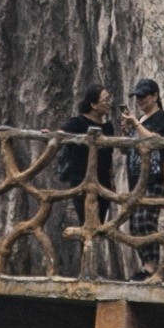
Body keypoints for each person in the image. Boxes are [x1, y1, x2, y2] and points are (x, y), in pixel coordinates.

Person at [50, 85, 117, 276]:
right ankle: (86, 271)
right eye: (104, 100)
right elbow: (61, 135)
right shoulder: (78, 123)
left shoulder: (108, 126)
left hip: (103, 182)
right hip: (81, 181)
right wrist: (51, 134)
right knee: (86, 222)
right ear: (93, 104)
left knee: (98, 224)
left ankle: (91, 269)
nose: (108, 103)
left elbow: (110, 154)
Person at [122, 78, 164, 274]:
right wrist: (127, 131)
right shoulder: (139, 121)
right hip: (137, 178)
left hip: (155, 176)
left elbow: (154, 140)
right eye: (137, 97)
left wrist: (135, 125)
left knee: (146, 220)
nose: (140, 100)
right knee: (135, 224)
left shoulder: (161, 117)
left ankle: (152, 268)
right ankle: (145, 265)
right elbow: (128, 150)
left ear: (155, 96)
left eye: (143, 96)